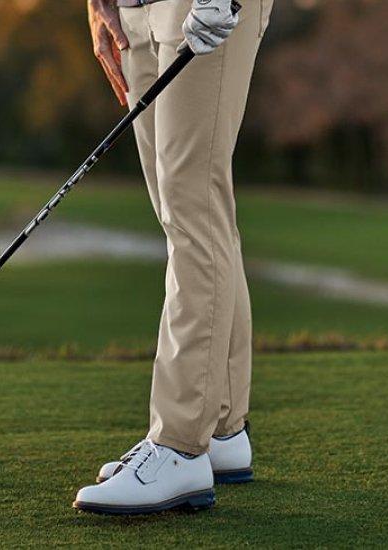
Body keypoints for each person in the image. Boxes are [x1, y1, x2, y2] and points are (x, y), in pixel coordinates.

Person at [73, 0, 273, 515]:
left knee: (194, 211)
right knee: (185, 215)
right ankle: (222, 429)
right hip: (131, 12)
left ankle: (180, 445)